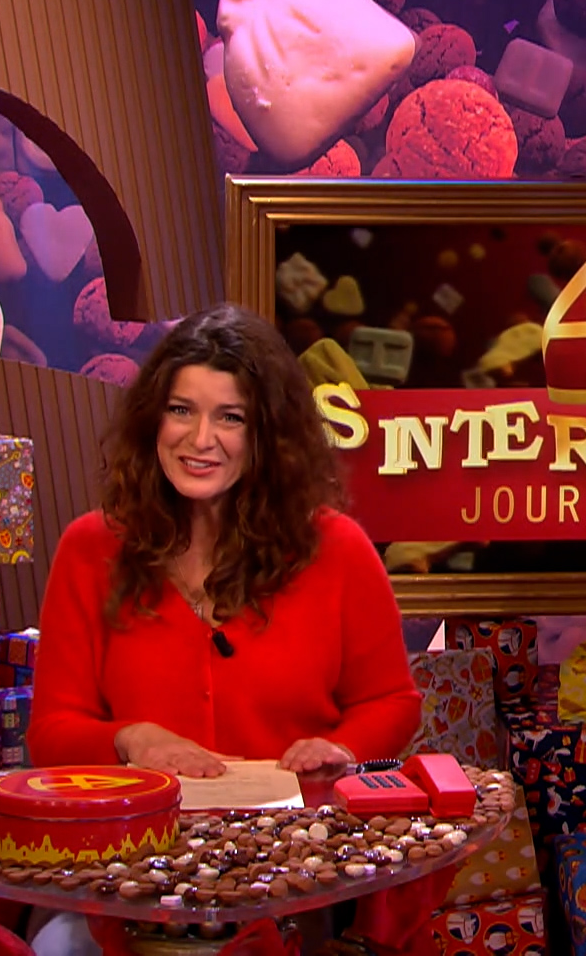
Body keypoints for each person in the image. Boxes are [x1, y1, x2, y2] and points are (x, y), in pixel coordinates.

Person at [24, 304, 423, 955]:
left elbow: (392, 702)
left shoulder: (337, 550)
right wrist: (129, 739)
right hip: (126, 872)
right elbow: (50, 734)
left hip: (292, 873)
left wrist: (342, 748)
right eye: (181, 410)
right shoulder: (90, 549)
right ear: (153, 420)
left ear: (268, 434)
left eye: (230, 417)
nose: (199, 438)